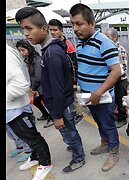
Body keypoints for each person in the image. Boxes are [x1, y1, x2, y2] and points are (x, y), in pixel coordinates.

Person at [15, 7, 86, 174]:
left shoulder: (52, 53)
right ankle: (75, 146)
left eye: (29, 28)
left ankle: (79, 157)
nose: (26, 34)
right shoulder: (49, 50)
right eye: (23, 29)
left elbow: (58, 88)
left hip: (62, 105)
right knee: (69, 132)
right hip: (60, 104)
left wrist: (57, 116)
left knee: (69, 132)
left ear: (44, 29)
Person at [69, 3, 121, 171]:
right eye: (72, 24)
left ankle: (114, 151)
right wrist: (79, 86)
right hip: (88, 95)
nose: (75, 28)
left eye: (79, 23)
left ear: (91, 23)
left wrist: (98, 92)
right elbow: (84, 67)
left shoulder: (104, 42)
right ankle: (105, 143)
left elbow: (116, 71)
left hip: (102, 96)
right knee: (99, 122)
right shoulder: (80, 42)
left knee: (108, 124)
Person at [6, 43, 53, 180]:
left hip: (16, 108)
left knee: (32, 137)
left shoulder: (8, 55)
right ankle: (35, 157)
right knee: (26, 137)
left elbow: (20, 84)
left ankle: (45, 163)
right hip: (12, 108)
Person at [48, 18, 85, 125]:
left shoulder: (68, 45)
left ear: (61, 31)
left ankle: (79, 114)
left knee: (74, 98)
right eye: (51, 30)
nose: (52, 32)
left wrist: (74, 82)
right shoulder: (53, 44)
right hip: (61, 80)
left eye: (55, 30)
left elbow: (74, 65)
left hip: (69, 79)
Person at [15, 39, 51, 128]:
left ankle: (52, 118)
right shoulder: (28, 59)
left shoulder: (37, 59)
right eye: (20, 51)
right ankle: (45, 114)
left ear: (29, 49)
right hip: (36, 85)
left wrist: (32, 88)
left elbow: (38, 77)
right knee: (36, 101)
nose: (21, 53)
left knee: (47, 103)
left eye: (23, 50)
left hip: (42, 86)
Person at [105, 27, 129, 128]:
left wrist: (113, 74)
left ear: (115, 38)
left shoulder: (120, 49)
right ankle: (118, 115)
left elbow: (123, 68)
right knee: (113, 100)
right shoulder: (107, 49)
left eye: (108, 37)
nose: (106, 39)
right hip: (112, 79)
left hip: (120, 80)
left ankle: (123, 118)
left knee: (121, 100)